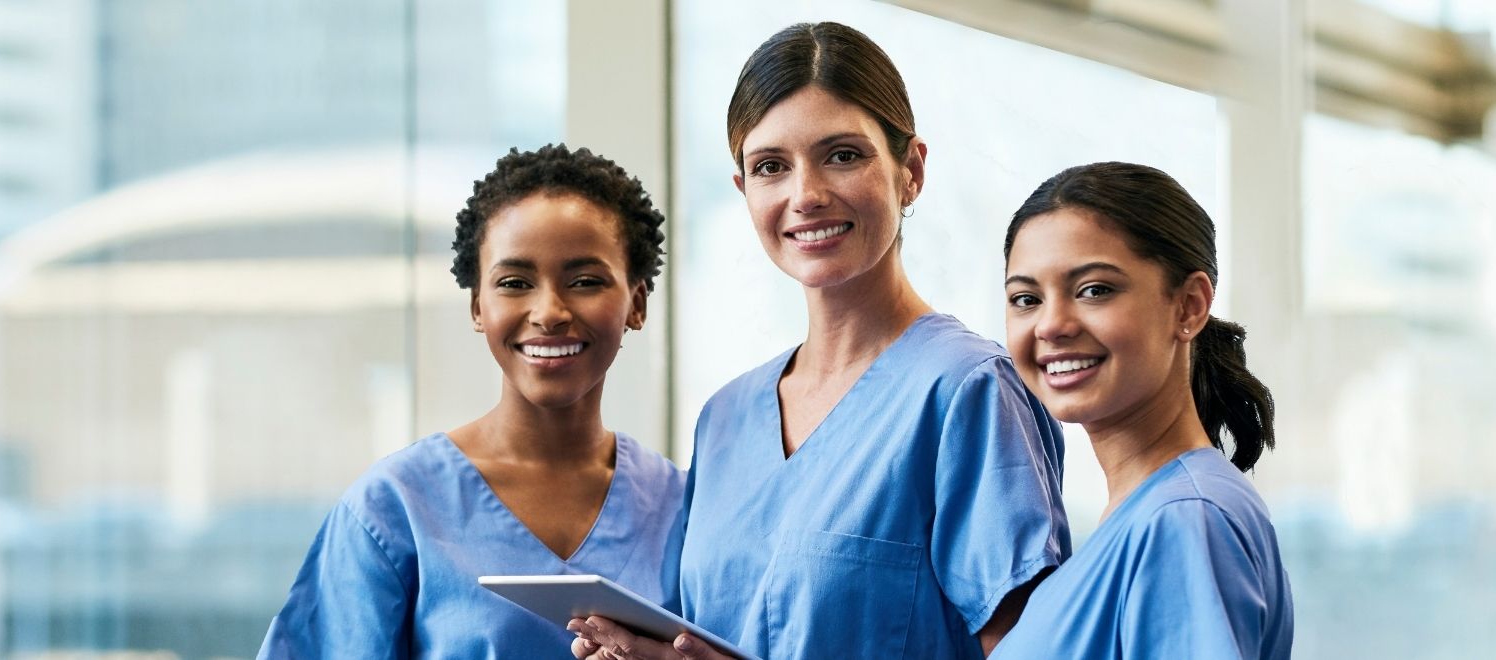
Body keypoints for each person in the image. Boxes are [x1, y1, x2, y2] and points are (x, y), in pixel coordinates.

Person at [571, 22, 1071, 659]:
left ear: (910, 171)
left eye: (842, 155)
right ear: (744, 191)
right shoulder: (724, 419)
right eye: (771, 167)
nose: (805, 195)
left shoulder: (967, 392)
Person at [257, 145, 686, 658]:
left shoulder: (683, 510)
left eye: (585, 281)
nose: (549, 311)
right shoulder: (396, 508)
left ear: (636, 303)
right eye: (514, 283)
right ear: (478, 306)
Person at [990, 162, 1293, 658]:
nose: (1051, 325)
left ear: (1189, 306)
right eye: (1026, 299)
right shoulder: (1151, 513)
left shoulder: (1183, 520)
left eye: (1094, 290)